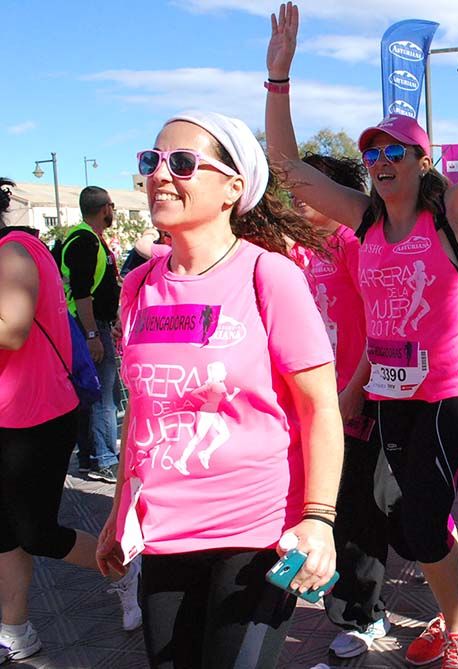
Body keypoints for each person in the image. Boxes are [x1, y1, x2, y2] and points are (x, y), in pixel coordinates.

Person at [264, 2, 458, 666]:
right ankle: (448, 602)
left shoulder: (452, 214)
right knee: (412, 524)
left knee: (422, 519)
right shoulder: (362, 220)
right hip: (391, 393)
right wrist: (279, 79)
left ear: (418, 160)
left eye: (393, 150)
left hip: (450, 391)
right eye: (371, 151)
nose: (380, 159)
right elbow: (287, 167)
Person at [94, 111, 344, 669]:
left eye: (182, 163)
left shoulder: (268, 275)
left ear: (234, 187)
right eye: (152, 161)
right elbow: (141, 410)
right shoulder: (139, 286)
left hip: (255, 532)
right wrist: (118, 511)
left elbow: (319, 407)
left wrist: (319, 519)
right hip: (164, 531)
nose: (160, 175)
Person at [0, 178, 141, 663]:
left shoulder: (15, 251)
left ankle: (126, 572)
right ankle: (16, 630)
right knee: (6, 531)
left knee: (36, 532)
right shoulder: (24, 247)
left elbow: (12, 330)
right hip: (17, 413)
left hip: (33, 415)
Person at [285, 152, 399, 659]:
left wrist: (354, 389)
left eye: (308, 187)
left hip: (359, 397)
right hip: (317, 400)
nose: (298, 196)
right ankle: (341, 592)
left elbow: (381, 322)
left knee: (358, 509)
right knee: (329, 501)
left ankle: (365, 615)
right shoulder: (305, 250)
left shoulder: (355, 243)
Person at [58, 186, 122, 483]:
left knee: (92, 392)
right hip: (88, 325)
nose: (113, 211)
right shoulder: (84, 241)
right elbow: (82, 294)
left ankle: (89, 456)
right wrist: (93, 334)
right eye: (112, 206)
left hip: (91, 323)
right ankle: (104, 459)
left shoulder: (88, 238)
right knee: (103, 395)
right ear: (105, 208)